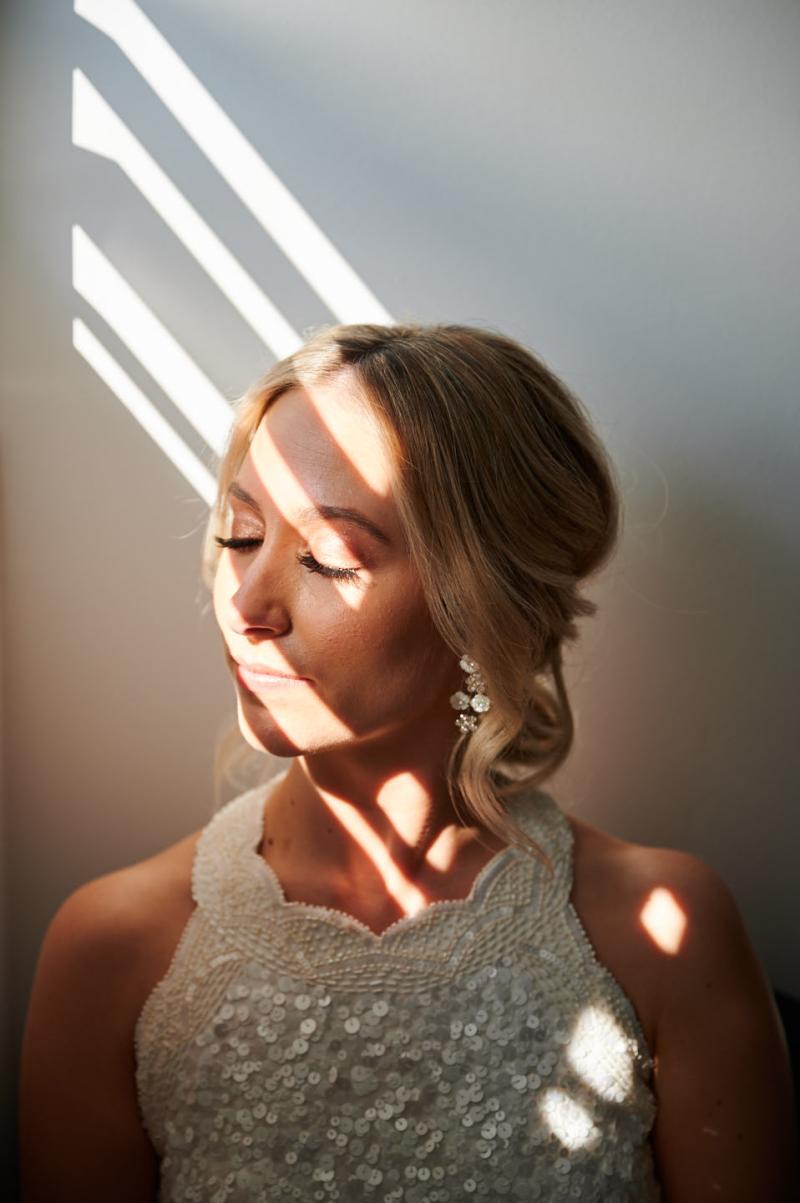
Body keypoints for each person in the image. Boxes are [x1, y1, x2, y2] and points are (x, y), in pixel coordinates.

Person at [19, 322, 798, 1202]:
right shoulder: (114, 951)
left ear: (480, 607)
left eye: (328, 555)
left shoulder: (665, 934)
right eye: (241, 535)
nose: (248, 600)